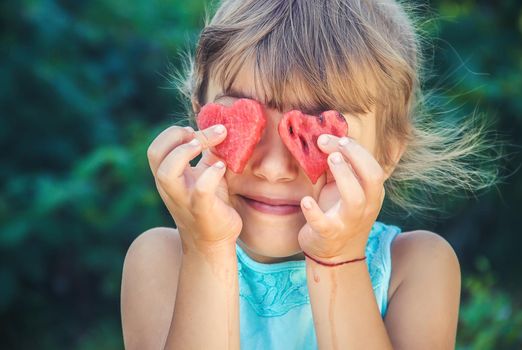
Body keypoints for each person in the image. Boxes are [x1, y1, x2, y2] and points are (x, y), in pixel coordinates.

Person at [121, 0, 499, 348]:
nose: (271, 168)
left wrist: (337, 260)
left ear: (385, 154)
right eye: (243, 125)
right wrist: (207, 251)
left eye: (317, 135)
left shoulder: (416, 267)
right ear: (201, 121)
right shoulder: (160, 260)